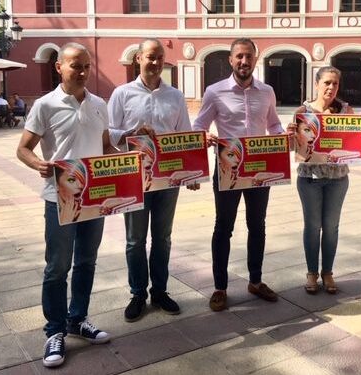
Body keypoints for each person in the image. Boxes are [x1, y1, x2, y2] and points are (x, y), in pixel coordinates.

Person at [16, 43, 116, 368]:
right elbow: (23, 148)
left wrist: (131, 162)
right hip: (58, 198)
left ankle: (78, 319)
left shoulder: (99, 104)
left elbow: (105, 147)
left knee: (87, 261)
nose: (83, 72)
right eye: (76, 65)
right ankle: (55, 331)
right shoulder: (45, 105)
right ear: (59, 67)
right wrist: (38, 163)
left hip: (94, 197)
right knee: (57, 267)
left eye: (87, 66)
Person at [193, 37, 284, 312]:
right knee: (224, 227)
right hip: (228, 169)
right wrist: (204, 137)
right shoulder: (214, 92)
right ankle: (220, 287)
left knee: (257, 225)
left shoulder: (267, 91)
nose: (244, 61)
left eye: (249, 56)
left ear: (255, 60)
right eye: (239, 56)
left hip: (259, 169)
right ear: (231, 60)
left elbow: (274, 124)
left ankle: (255, 281)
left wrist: (283, 136)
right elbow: (198, 126)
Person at [108, 38, 194, 322]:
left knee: (163, 238)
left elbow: (184, 135)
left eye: (159, 58)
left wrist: (191, 173)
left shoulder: (175, 96)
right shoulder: (121, 94)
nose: (155, 63)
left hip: (167, 180)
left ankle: (159, 291)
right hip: (134, 178)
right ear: (138, 59)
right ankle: (137, 294)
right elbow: (108, 133)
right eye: (150, 57)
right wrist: (131, 132)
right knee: (135, 240)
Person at [288, 66, 357, 295]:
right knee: (312, 226)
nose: (331, 87)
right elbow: (294, 148)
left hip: (338, 178)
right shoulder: (303, 112)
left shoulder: (346, 111)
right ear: (316, 84)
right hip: (310, 179)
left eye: (335, 83)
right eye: (327, 82)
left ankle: (327, 272)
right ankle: (311, 273)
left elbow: (354, 142)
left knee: (331, 227)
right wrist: (290, 136)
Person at [54, 159, 136, 225]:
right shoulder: (58, 213)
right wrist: (66, 220)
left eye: (82, 180)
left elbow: (107, 146)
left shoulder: (93, 211)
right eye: (71, 180)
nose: (80, 186)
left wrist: (131, 157)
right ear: (57, 184)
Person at [217, 137, 284, 190]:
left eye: (239, 156)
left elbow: (274, 126)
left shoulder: (242, 181)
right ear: (219, 157)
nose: (237, 160)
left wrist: (256, 180)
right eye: (230, 155)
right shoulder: (224, 182)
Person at [294, 112, 360, 164]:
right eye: (307, 130)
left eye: (315, 131)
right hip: (307, 176)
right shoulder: (302, 110)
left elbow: (357, 153)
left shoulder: (320, 156)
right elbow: (290, 148)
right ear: (296, 132)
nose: (313, 136)